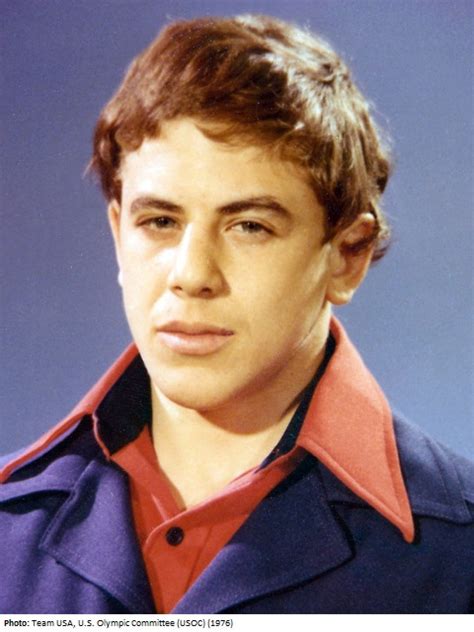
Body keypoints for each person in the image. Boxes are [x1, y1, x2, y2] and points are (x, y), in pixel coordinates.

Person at [0, 14, 472, 615]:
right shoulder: (8, 524)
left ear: (347, 257)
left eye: (249, 226)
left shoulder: (458, 556)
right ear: (119, 235)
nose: (192, 274)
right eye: (160, 221)